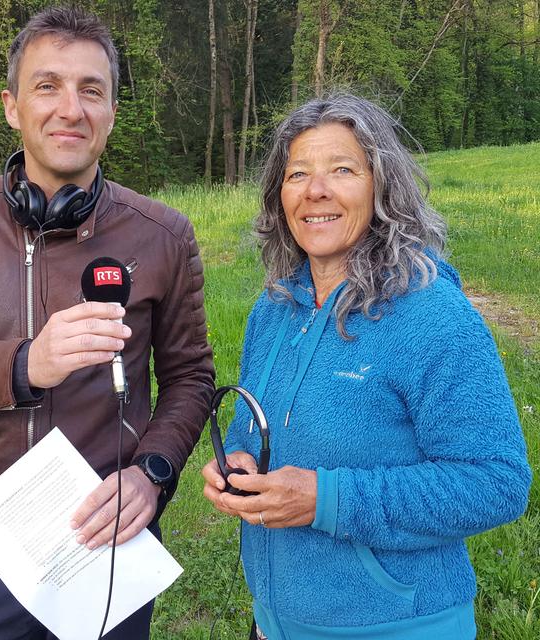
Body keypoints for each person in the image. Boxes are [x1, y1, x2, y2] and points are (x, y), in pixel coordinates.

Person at [0, 6, 214, 639]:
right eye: (48, 86)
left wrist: (151, 474)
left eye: (91, 90)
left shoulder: (164, 235)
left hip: (107, 537)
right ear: (13, 106)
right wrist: (24, 366)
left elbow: (192, 379)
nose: (71, 108)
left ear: (112, 113)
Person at [202, 92, 531, 640]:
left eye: (343, 170)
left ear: (382, 187)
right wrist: (236, 459)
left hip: (397, 626)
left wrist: (325, 499)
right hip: (276, 625)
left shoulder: (432, 316)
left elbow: (496, 482)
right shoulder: (275, 308)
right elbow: (255, 427)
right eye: (297, 173)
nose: (315, 191)